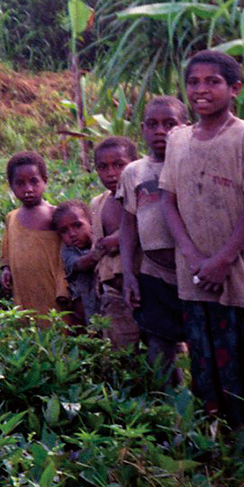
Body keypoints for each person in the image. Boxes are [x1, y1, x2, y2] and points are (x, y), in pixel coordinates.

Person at [159, 50, 244, 426]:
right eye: (194, 82)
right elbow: (169, 201)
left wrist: (222, 260)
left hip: (240, 274)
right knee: (205, 354)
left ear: (235, 88)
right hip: (193, 275)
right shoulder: (178, 139)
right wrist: (194, 257)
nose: (201, 90)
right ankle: (218, 431)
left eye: (213, 81)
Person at [120, 96, 188, 386]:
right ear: (143, 129)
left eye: (169, 123)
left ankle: (207, 413)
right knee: (159, 350)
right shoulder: (134, 172)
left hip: (193, 275)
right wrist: (127, 274)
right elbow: (128, 226)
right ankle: (167, 409)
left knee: (203, 346)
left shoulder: (193, 163)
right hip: (153, 275)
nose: (160, 131)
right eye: (152, 124)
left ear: (185, 126)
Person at [0, 151, 69, 326]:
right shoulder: (11, 218)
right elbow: (7, 249)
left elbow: (70, 248)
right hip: (24, 288)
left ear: (45, 180)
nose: (28, 189)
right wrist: (6, 269)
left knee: (58, 326)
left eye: (34, 181)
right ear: (11, 186)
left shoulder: (56, 215)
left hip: (52, 287)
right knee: (29, 326)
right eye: (20, 183)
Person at [91, 136, 141, 349]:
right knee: (120, 352)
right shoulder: (97, 203)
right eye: (103, 167)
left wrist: (118, 239)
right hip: (113, 291)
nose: (111, 173)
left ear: (135, 163)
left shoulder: (145, 196)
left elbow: (154, 227)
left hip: (145, 286)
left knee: (164, 353)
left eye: (119, 165)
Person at [55, 200, 99, 330]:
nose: (72, 234)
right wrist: (98, 249)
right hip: (88, 311)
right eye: (64, 231)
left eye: (78, 225)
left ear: (91, 222)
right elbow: (82, 264)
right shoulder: (68, 252)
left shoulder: (100, 237)